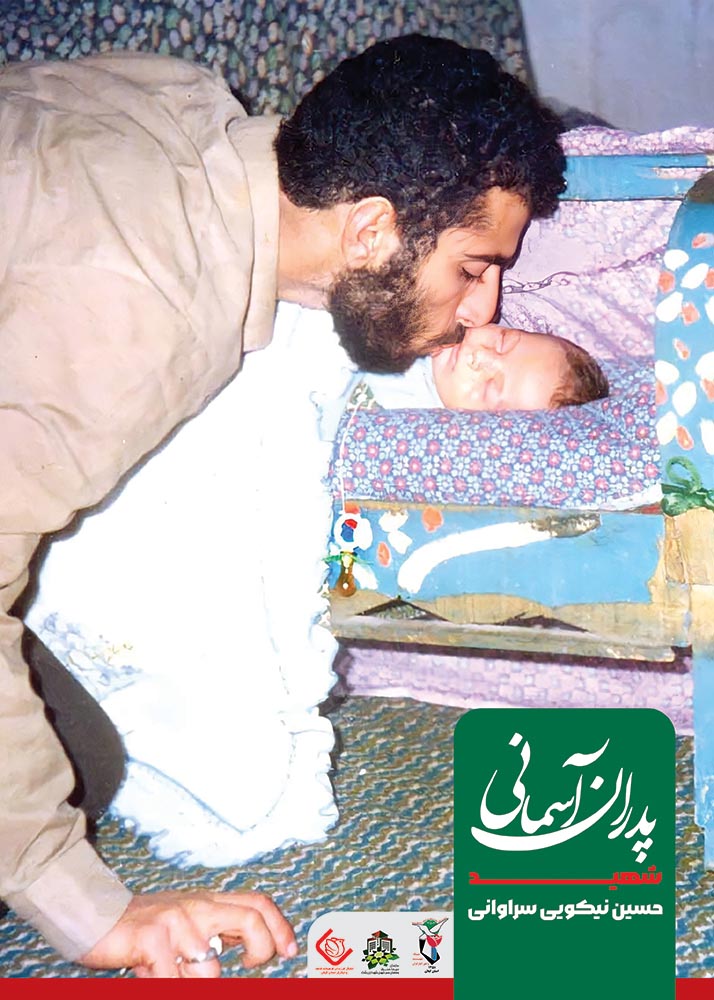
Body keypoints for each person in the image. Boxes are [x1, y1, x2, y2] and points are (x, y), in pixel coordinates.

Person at [0, 35, 566, 976]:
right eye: (474, 268)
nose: (484, 309)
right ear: (371, 229)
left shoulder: (189, 106)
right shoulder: (145, 310)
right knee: (75, 763)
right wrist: (81, 904)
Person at [365, 324, 609, 411]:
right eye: (502, 340)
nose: (479, 355)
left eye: (490, 387)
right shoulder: (445, 311)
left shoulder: (416, 414)